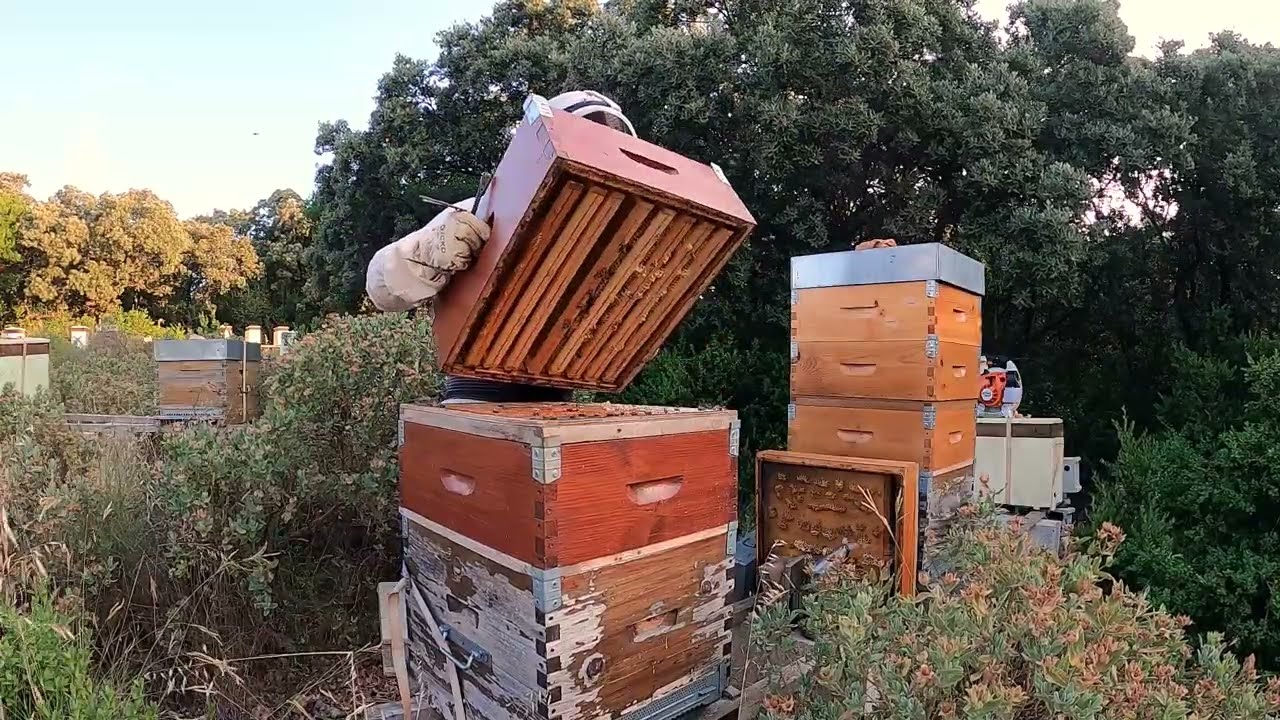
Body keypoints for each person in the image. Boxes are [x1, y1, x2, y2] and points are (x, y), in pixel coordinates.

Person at [365, 90, 638, 405]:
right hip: (476, 404)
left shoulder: (607, 243)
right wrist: (430, 249)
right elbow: (380, 288)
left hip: (557, 407)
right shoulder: (486, 210)